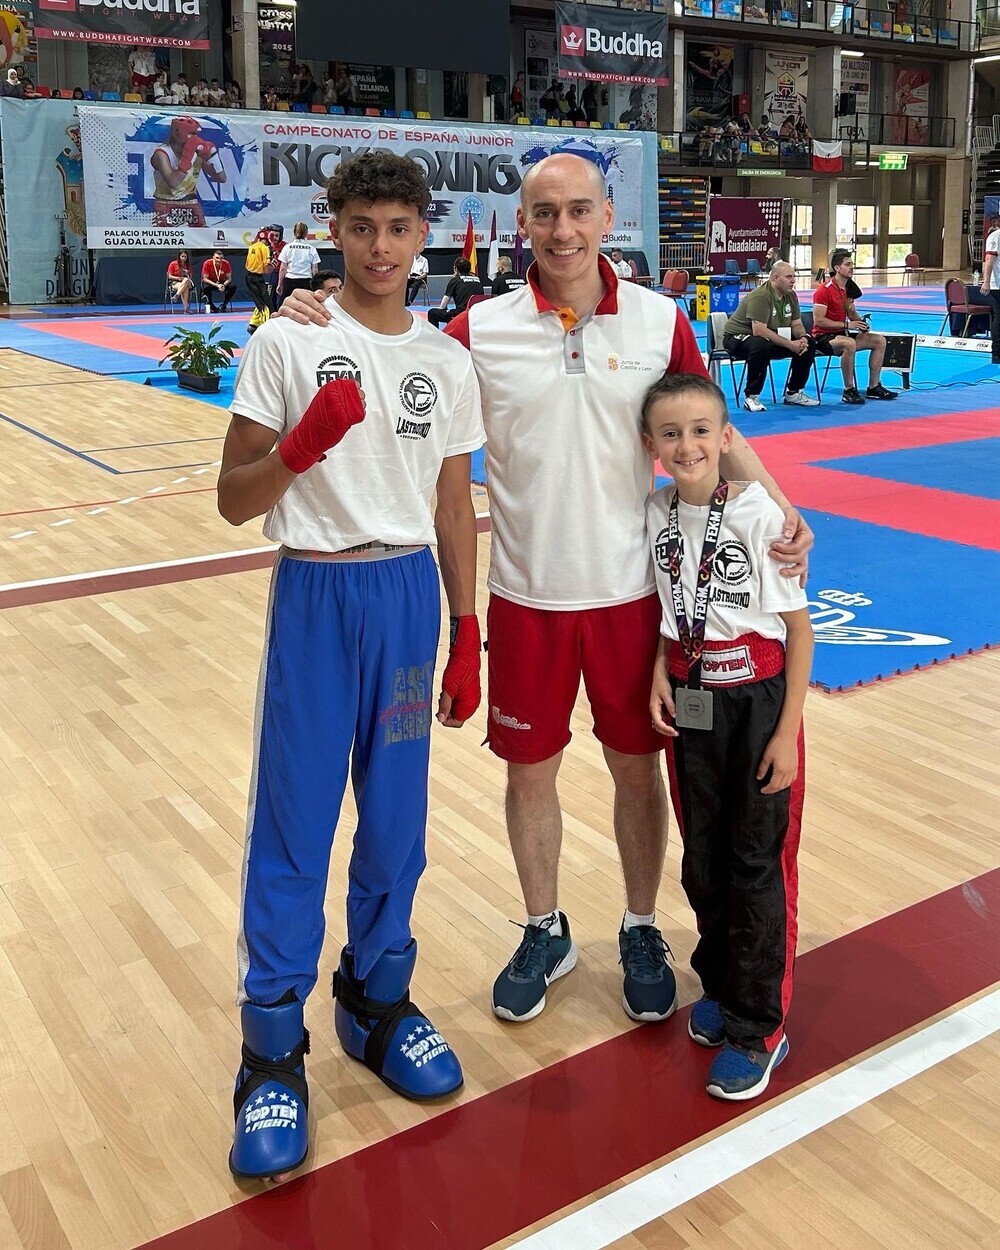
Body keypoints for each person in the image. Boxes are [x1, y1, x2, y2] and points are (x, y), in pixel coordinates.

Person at [274, 153, 814, 1028]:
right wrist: (317, 309)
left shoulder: (659, 320)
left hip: (638, 597)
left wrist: (784, 509)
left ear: (608, 220)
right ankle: (544, 927)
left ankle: (640, 927)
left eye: (578, 211)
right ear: (521, 224)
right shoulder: (479, 331)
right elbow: (385, 353)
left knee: (639, 774)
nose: (561, 229)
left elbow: (715, 427)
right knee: (530, 779)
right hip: (525, 597)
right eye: (543, 213)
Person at [218, 150, 485, 1182]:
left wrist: (468, 628)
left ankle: (376, 997)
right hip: (317, 598)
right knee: (295, 820)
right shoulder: (291, 341)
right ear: (334, 228)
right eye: (362, 226)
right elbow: (234, 501)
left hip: (408, 600)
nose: (380, 247)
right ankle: (271, 1049)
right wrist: (295, 451)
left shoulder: (445, 360)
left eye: (398, 227)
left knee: (398, 815)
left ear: (426, 235)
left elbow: (453, 502)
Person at [642, 372, 811, 1100]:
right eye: (672, 434)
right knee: (703, 855)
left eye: (703, 430)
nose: (688, 446)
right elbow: (672, 603)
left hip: (758, 703)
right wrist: (659, 668)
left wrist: (788, 732)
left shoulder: (759, 519)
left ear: (726, 437)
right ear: (651, 445)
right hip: (692, 698)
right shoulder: (654, 513)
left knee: (754, 863)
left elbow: (799, 632)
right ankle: (720, 983)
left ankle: (759, 1023)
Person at [722, 261, 819, 413]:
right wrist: (789, 344)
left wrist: (802, 338)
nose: (793, 280)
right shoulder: (761, 296)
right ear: (775, 278)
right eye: (788, 277)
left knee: (809, 344)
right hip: (737, 338)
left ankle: (794, 392)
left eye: (794, 276)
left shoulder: (791, 296)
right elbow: (759, 331)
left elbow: (796, 324)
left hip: (770, 337)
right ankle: (751, 396)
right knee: (760, 345)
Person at [811, 249, 897, 404]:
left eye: (852, 264)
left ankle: (874, 387)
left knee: (879, 341)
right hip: (823, 337)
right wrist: (847, 324)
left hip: (841, 333)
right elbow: (819, 321)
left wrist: (861, 323)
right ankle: (849, 390)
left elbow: (851, 313)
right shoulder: (823, 291)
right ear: (837, 268)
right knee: (848, 343)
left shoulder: (848, 289)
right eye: (847, 264)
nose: (852, 267)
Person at [150, 115, 225, 228]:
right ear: (176, 132)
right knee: (168, 241)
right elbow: (174, 183)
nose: (194, 138)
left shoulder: (197, 150)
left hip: (190, 201)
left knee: (201, 240)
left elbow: (221, 178)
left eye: (195, 134)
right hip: (165, 203)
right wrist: (188, 157)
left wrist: (214, 157)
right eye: (191, 134)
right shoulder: (162, 153)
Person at [428, 257, 482, 328]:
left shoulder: (455, 280)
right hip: (477, 314)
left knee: (432, 313)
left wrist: (442, 310)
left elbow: (443, 305)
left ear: (456, 269)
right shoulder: (477, 279)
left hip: (461, 314)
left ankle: (436, 337)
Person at [277, 221, 320, 298]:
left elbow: (283, 268)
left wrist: (280, 284)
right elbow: (315, 269)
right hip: (306, 281)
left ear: (294, 232)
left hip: (290, 281)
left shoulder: (287, 247)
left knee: (287, 306)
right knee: (306, 306)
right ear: (306, 233)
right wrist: (315, 285)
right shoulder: (311, 249)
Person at [244, 229, 274, 333]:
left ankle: (253, 324)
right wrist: (272, 267)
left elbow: (247, 263)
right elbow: (266, 269)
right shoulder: (265, 248)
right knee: (265, 302)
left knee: (258, 301)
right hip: (257, 278)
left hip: (248, 277)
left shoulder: (251, 246)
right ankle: (266, 326)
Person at [979, 216, 1000, 364]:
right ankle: (997, 353)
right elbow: (989, 260)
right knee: (999, 317)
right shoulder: (995, 237)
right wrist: (986, 281)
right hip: (997, 285)